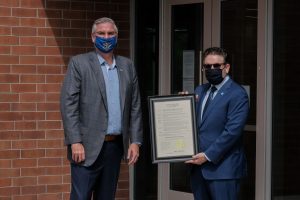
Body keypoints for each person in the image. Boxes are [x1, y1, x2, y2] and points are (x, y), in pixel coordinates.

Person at [60, 17, 143, 200]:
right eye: (101, 33)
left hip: (114, 147)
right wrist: (75, 141)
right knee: (80, 197)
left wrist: (135, 141)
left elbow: (135, 106)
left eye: (110, 33)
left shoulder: (127, 66)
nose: (106, 37)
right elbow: (69, 104)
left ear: (116, 36)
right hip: (85, 147)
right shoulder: (79, 63)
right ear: (92, 37)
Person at [185, 47, 249, 200]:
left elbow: (232, 132)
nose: (211, 69)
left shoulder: (237, 94)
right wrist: (183, 105)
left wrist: (207, 156)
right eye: (207, 66)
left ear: (226, 67)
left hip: (223, 170)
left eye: (216, 66)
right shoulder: (200, 90)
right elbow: (195, 125)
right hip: (198, 169)